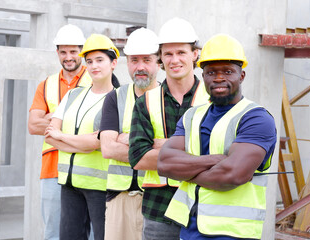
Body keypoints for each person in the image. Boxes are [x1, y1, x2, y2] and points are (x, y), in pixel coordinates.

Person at [158, 34, 277, 240]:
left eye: (228, 71)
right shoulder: (192, 115)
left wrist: (186, 173)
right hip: (190, 228)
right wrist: (215, 161)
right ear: (203, 76)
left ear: (242, 76)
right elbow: (164, 164)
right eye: (211, 72)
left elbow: (231, 175)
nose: (219, 78)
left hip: (233, 233)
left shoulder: (256, 118)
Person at [128, 18, 209, 240]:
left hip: (203, 208)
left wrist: (165, 147)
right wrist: (195, 153)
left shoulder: (212, 100)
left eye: (181, 52)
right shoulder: (146, 102)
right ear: (161, 58)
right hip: (159, 211)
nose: (175, 60)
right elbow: (138, 158)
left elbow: (224, 153)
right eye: (168, 54)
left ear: (195, 54)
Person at [44, 34, 120, 240]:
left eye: (100, 60)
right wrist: (84, 142)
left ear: (113, 63)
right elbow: (50, 136)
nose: (94, 66)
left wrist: (63, 137)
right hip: (69, 184)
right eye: (89, 61)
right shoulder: (72, 95)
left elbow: (99, 142)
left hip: (99, 186)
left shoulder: (118, 100)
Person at [27, 24, 91, 240]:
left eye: (73, 51)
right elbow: (33, 125)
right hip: (52, 168)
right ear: (57, 53)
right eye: (63, 52)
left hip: (87, 165)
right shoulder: (46, 85)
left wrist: (52, 117)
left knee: (89, 233)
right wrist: (68, 119)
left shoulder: (95, 80)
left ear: (81, 52)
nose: (68, 57)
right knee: (53, 233)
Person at [99, 27, 161, 240]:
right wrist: (152, 145)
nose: (140, 66)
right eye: (134, 60)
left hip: (158, 196)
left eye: (147, 59)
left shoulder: (169, 98)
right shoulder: (115, 97)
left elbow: (176, 151)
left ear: (158, 61)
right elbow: (107, 148)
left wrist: (127, 138)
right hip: (119, 198)